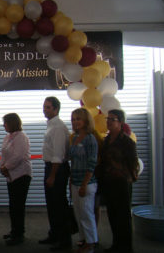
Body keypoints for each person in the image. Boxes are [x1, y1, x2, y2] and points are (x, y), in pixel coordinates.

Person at [97, 109, 139, 253]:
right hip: (109, 183)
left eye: (112, 119)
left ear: (120, 122)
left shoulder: (126, 141)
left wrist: (128, 178)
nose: (108, 121)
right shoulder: (107, 140)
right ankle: (116, 245)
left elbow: (133, 163)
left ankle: (126, 247)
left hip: (122, 183)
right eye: (107, 119)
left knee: (123, 217)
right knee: (113, 215)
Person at [39, 96, 72, 252]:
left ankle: (64, 240)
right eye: (44, 107)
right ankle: (54, 234)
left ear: (56, 109)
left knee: (59, 206)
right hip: (51, 168)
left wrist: (52, 176)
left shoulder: (58, 127)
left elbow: (58, 155)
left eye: (48, 107)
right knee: (52, 205)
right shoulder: (51, 125)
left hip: (56, 169)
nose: (45, 110)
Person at [69, 108, 98, 253]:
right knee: (78, 214)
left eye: (78, 119)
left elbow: (92, 163)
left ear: (86, 121)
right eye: (73, 119)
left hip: (87, 183)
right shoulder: (74, 137)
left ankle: (91, 243)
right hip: (75, 182)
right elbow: (73, 161)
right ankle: (84, 239)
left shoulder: (90, 138)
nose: (75, 122)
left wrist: (84, 184)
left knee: (87, 214)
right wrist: (71, 181)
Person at [0, 113, 32, 246]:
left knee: (18, 206)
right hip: (11, 176)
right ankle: (14, 231)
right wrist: (2, 166)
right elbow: (3, 153)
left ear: (12, 123)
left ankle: (19, 234)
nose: (3, 125)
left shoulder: (21, 137)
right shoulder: (8, 137)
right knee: (13, 206)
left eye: (5, 123)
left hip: (21, 175)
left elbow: (19, 156)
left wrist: (6, 167)